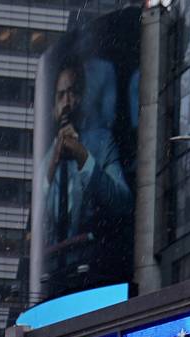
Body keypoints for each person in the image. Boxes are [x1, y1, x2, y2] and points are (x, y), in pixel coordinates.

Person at [40, 54, 133, 299]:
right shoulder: (45, 162)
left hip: (95, 275)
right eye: (61, 96)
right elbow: (37, 224)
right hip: (53, 284)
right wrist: (53, 164)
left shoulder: (101, 142)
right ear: (52, 107)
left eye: (72, 93)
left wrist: (83, 156)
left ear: (82, 98)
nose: (67, 102)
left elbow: (122, 202)